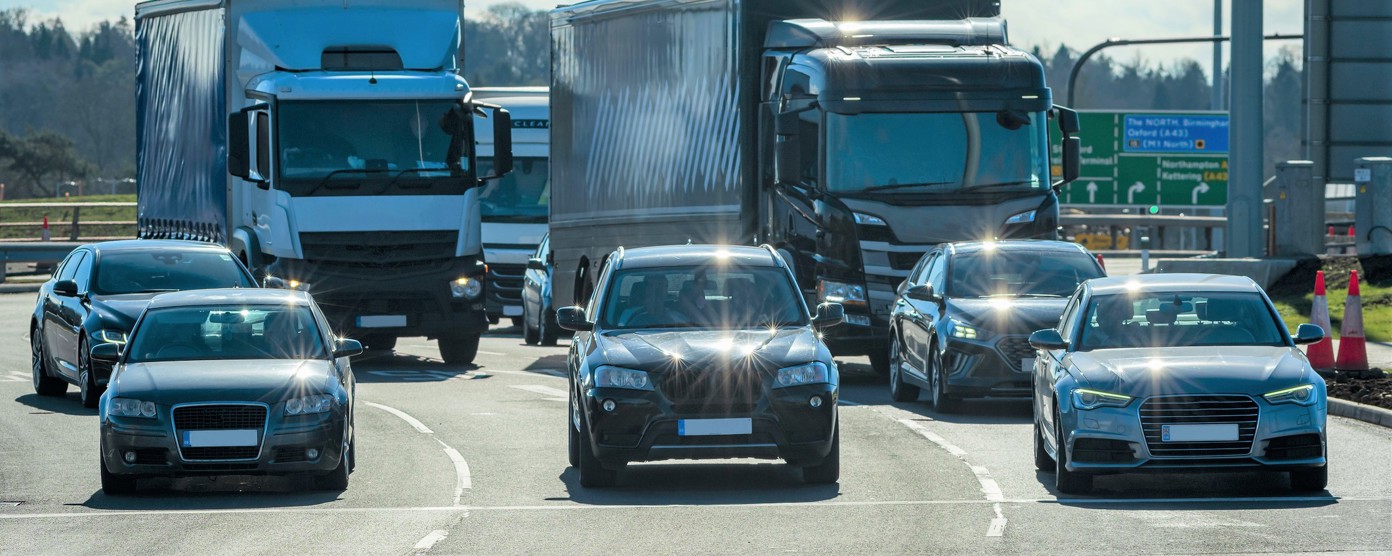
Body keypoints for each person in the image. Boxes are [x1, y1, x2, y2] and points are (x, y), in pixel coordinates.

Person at [620, 275, 685, 327]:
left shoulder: (677, 318)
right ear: (645, 290)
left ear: (666, 291)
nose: (657, 290)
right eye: (652, 286)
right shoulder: (631, 316)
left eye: (660, 285)